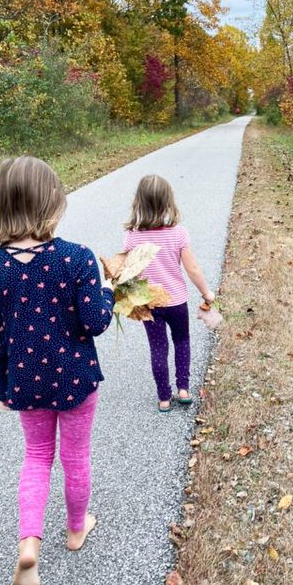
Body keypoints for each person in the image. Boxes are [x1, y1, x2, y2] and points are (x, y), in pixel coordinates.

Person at [0, 156, 114, 585]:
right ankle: (76, 529)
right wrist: (109, 293)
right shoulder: (76, 259)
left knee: (36, 457)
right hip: (75, 379)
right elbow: (95, 321)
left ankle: (29, 546)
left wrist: (3, 386)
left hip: (24, 379)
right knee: (75, 457)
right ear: (51, 204)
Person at [123, 174, 214, 412]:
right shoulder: (178, 233)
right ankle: (183, 388)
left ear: (139, 203)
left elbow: (127, 271)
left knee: (158, 347)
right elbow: (192, 268)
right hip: (176, 301)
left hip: (148, 302)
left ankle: (164, 397)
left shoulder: (132, 236)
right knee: (182, 341)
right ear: (168, 202)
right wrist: (206, 293)